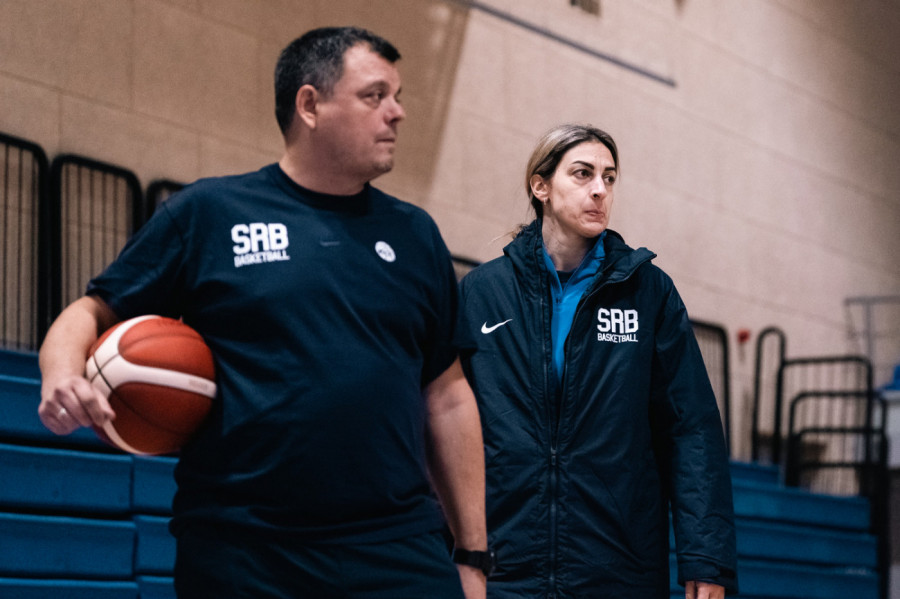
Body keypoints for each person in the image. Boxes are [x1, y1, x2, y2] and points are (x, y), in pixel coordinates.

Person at [38, 26, 489, 599]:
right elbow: (92, 309)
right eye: (375, 96)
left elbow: (447, 397)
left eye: (397, 97)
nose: (397, 113)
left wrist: (473, 556)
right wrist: (61, 373)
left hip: (396, 549)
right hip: (244, 552)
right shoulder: (209, 213)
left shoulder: (415, 234)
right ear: (310, 105)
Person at [459, 124, 737, 598]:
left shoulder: (648, 293)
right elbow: (447, 419)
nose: (600, 190)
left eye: (609, 177)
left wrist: (707, 559)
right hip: (505, 567)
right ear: (541, 186)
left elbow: (690, 428)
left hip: (616, 568)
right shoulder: (483, 293)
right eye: (583, 174)